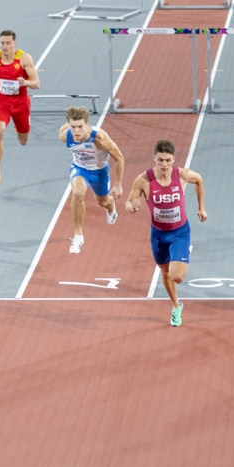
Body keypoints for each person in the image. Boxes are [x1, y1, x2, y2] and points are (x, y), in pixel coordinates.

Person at [125, 140, 207, 327]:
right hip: (158, 235)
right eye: (160, 160)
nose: (164, 165)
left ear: (173, 159)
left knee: (177, 276)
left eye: (168, 160)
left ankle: (183, 251)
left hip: (180, 233)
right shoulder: (143, 180)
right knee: (164, 271)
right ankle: (176, 306)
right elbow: (129, 203)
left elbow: (199, 180)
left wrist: (201, 207)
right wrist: (133, 206)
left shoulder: (183, 175)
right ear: (154, 158)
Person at [0, 30, 39, 187]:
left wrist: (26, 82)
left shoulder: (24, 58)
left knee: (23, 141)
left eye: (8, 43)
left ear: (14, 44)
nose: (5, 46)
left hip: (21, 103)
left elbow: (36, 83)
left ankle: (18, 125)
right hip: (1, 102)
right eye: (2, 43)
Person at [58, 107, 125, 254]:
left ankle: (110, 206)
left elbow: (119, 158)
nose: (76, 131)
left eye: (80, 127)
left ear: (86, 125)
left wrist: (118, 185)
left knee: (102, 201)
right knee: (77, 193)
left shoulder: (99, 138)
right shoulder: (65, 135)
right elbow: (63, 130)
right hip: (79, 168)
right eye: (73, 126)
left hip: (99, 172)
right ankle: (78, 236)